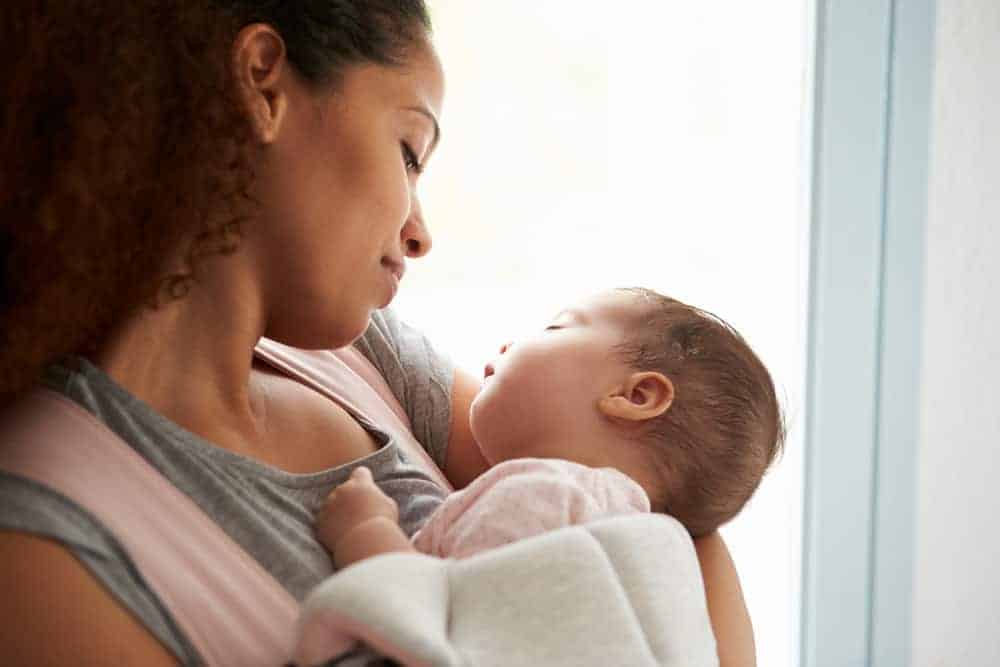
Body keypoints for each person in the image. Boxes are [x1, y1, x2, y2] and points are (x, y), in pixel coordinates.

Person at [0, 2, 758, 665]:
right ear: (264, 82)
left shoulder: (362, 356)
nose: (421, 232)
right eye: (408, 150)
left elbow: (662, 498)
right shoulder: (44, 541)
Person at [318, 288, 783, 565]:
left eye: (556, 329)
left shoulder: (545, 502)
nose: (511, 341)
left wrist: (366, 533)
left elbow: (431, 629)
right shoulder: (640, 546)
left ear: (635, 396)